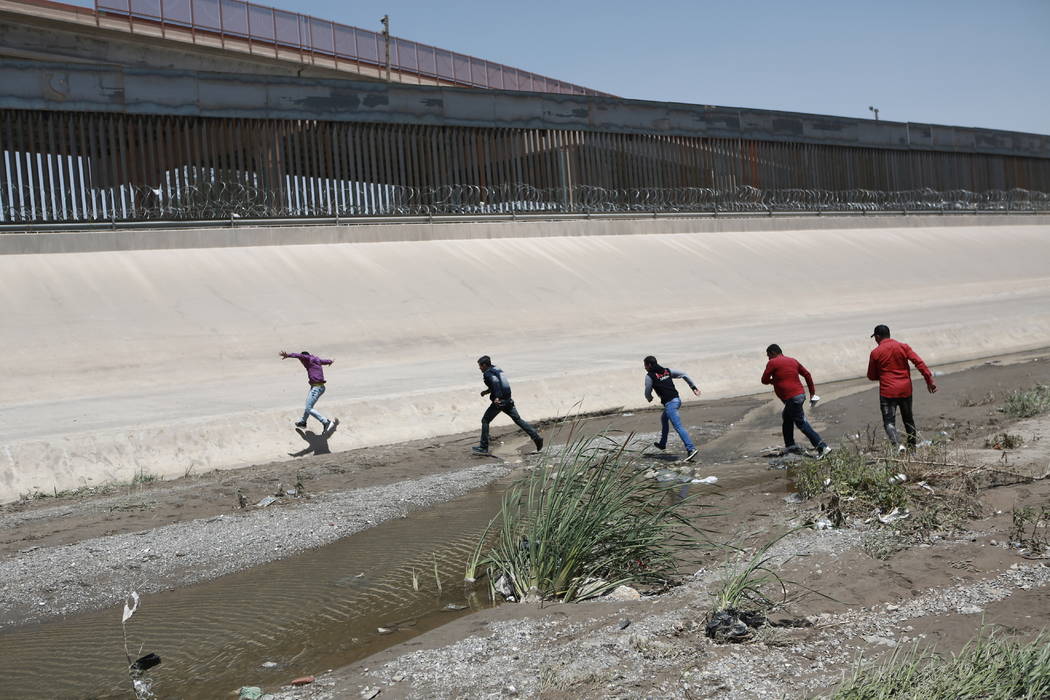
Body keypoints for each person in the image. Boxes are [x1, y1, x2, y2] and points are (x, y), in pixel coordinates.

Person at [866, 325, 937, 451]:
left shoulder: (876, 353)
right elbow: (919, 363)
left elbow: (871, 376)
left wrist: (883, 375)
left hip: (888, 392)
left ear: (877, 337)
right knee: (908, 419)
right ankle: (912, 449)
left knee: (889, 422)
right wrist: (929, 380)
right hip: (905, 389)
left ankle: (898, 446)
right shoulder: (903, 347)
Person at [761, 344, 832, 458]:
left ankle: (822, 447)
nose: (768, 358)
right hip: (800, 395)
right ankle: (790, 445)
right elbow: (807, 374)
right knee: (787, 417)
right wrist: (812, 393)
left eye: (768, 355)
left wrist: (773, 381)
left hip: (792, 398)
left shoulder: (773, 362)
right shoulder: (793, 361)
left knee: (802, 423)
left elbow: (764, 380)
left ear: (773, 353)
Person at [472, 356, 543, 455]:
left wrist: (497, 397)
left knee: (485, 420)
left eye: (480, 366)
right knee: (518, 420)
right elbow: (500, 383)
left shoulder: (487, 374)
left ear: (484, 365)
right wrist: (486, 392)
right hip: (508, 400)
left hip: (499, 402)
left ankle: (483, 447)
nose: (479, 368)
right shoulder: (497, 369)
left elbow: (495, 383)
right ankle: (537, 438)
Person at [643, 355, 700, 462]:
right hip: (676, 400)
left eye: (645, 365)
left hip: (670, 404)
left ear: (649, 365)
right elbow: (684, 374)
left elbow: (647, 390)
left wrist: (649, 397)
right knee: (664, 419)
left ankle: (691, 448)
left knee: (678, 427)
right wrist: (693, 388)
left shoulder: (650, 376)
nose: (645, 368)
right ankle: (662, 444)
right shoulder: (666, 371)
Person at [279, 350, 337, 432]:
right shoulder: (316, 359)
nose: (302, 363)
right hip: (319, 387)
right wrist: (330, 361)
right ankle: (303, 422)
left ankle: (326, 422)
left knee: (309, 408)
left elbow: (298, 355)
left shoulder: (307, 358)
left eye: (302, 361)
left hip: (316, 388)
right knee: (309, 406)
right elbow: (325, 361)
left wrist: (288, 355)